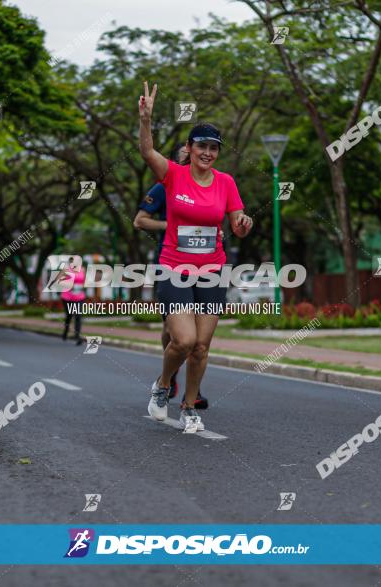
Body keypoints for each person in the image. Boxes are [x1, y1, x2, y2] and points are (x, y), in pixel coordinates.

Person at [138, 81, 253, 433]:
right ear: (189, 148)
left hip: (213, 271)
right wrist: (145, 120)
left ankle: (189, 406)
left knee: (201, 347)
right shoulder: (173, 176)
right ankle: (162, 385)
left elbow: (237, 223)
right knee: (183, 340)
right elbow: (147, 152)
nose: (207, 152)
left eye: (213, 147)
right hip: (174, 267)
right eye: (201, 145)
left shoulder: (226, 182)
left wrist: (244, 223)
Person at [133, 143, 209, 409]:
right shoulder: (167, 184)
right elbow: (140, 220)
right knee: (174, 331)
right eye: (185, 156)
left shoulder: (211, 186)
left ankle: (193, 391)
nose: (192, 159)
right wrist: (172, 225)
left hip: (203, 266)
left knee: (199, 338)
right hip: (171, 263)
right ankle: (170, 376)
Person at [59, 256, 86, 344]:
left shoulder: (82, 269)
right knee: (69, 315)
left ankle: (77, 336)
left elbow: (84, 282)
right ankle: (65, 332)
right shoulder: (66, 269)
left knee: (78, 316)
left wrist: (83, 286)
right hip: (67, 297)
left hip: (79, 297)